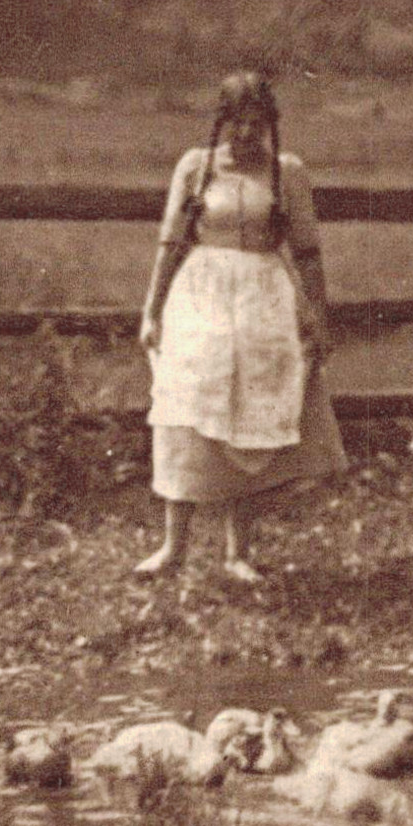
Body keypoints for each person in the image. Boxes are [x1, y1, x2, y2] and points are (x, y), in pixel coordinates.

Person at [135, 70, 347, 583]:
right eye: (237, 124)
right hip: (201, 296)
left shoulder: (286, 173)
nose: (246, 136)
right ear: (222, 122)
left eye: (257, 125)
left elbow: (309, 253)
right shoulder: (196, 167)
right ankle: (173, 547)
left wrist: (317, 314)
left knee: (250, 415)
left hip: (264, 302)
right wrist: (152, 309)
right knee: (185, 406)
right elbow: (171, 243)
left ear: (271, 125)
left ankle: (238, 552)